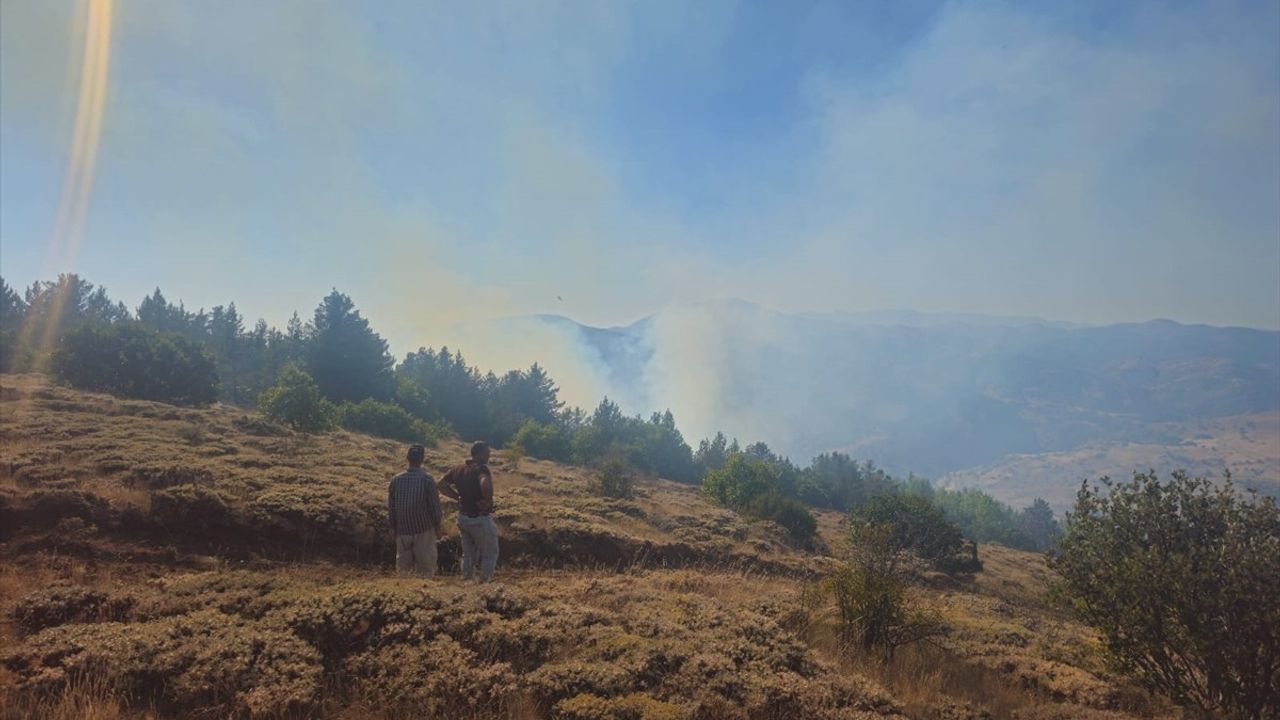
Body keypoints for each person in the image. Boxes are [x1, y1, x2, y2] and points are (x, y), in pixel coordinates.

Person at [438, 441, 499, 582]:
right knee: (489, 553)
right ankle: (486, 582)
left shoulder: (457, 469)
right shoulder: (481, 469)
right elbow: (485, 483)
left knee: (468, 554)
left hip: (463, 517)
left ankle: (467, 581)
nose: (489, 456)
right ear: (478, 454)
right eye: (487, 453)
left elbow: (441, 485)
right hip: (479, 518)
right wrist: (488, 501)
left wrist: (456, 497)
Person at [387, 444, 442, 577]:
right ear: (422, 459)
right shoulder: (427, 479)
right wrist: (437, 524)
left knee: (404, 568)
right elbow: (434, 506)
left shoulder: (395, 480)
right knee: (426, 567)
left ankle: (404, 592)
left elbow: (391, 507)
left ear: (407, 458)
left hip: (402, 528)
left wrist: (394, 526)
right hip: (423, 528)